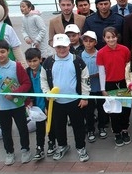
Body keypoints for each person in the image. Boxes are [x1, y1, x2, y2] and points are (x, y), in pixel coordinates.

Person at [41, 34, 90, 162]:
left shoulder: (77, 61)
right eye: (58, 47)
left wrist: (84, 97)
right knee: (58, 126)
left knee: (78, 126)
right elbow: (44, 79)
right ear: (54, 47)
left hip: (75, 101)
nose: (61, 50)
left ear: (69, 46)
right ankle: (62, 145)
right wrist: (47, 93)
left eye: (64, 47)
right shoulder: (48, 62)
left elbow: (85, 79)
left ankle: (81, 147)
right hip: (57, 102)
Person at [0, 40, 32, 165]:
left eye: (2, 52)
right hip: (1, 106)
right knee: (6, 130)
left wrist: (14, 93)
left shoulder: (16, 66)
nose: (0, 55)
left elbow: (26, 83)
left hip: (18, 105)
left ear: (8, 51)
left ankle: (25, 149)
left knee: (22, 128)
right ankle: (9, 152)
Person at [96, 27, 131, 146]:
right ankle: (117, 132)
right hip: (110, 85)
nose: (111, 39)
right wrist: (103, 88)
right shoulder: (101, 53)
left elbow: (128, 68)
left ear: (117, 37)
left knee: (126, 109)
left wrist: (130, 83)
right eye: (108, 37)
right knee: (114, 110)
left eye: (113, 36)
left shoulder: (125, 50)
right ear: (104, 38)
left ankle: (125, 129)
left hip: (124, 83)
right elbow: (101, 72)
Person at [24, 48, 51, 161]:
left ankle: (52, 143)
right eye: (29, 61)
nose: (32, 64)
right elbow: (26, 88)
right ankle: (39, 148)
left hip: (47, 102)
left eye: (35, 61)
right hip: (36, 106)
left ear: (40, 59)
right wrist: (28, 101)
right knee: (39, 127)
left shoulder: (46, 70)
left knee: (51, 126)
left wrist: (48, 105)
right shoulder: (27, 72)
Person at [80, 30, 107, 142]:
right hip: (87, 89)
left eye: (91, 41)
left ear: (95, 42)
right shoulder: (80, 56)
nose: (88, 43)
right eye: (86, 41)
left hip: (99, 86)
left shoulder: (100, 54)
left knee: (102, 109)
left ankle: (102, 127)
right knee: (89, 110)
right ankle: (90, 128)